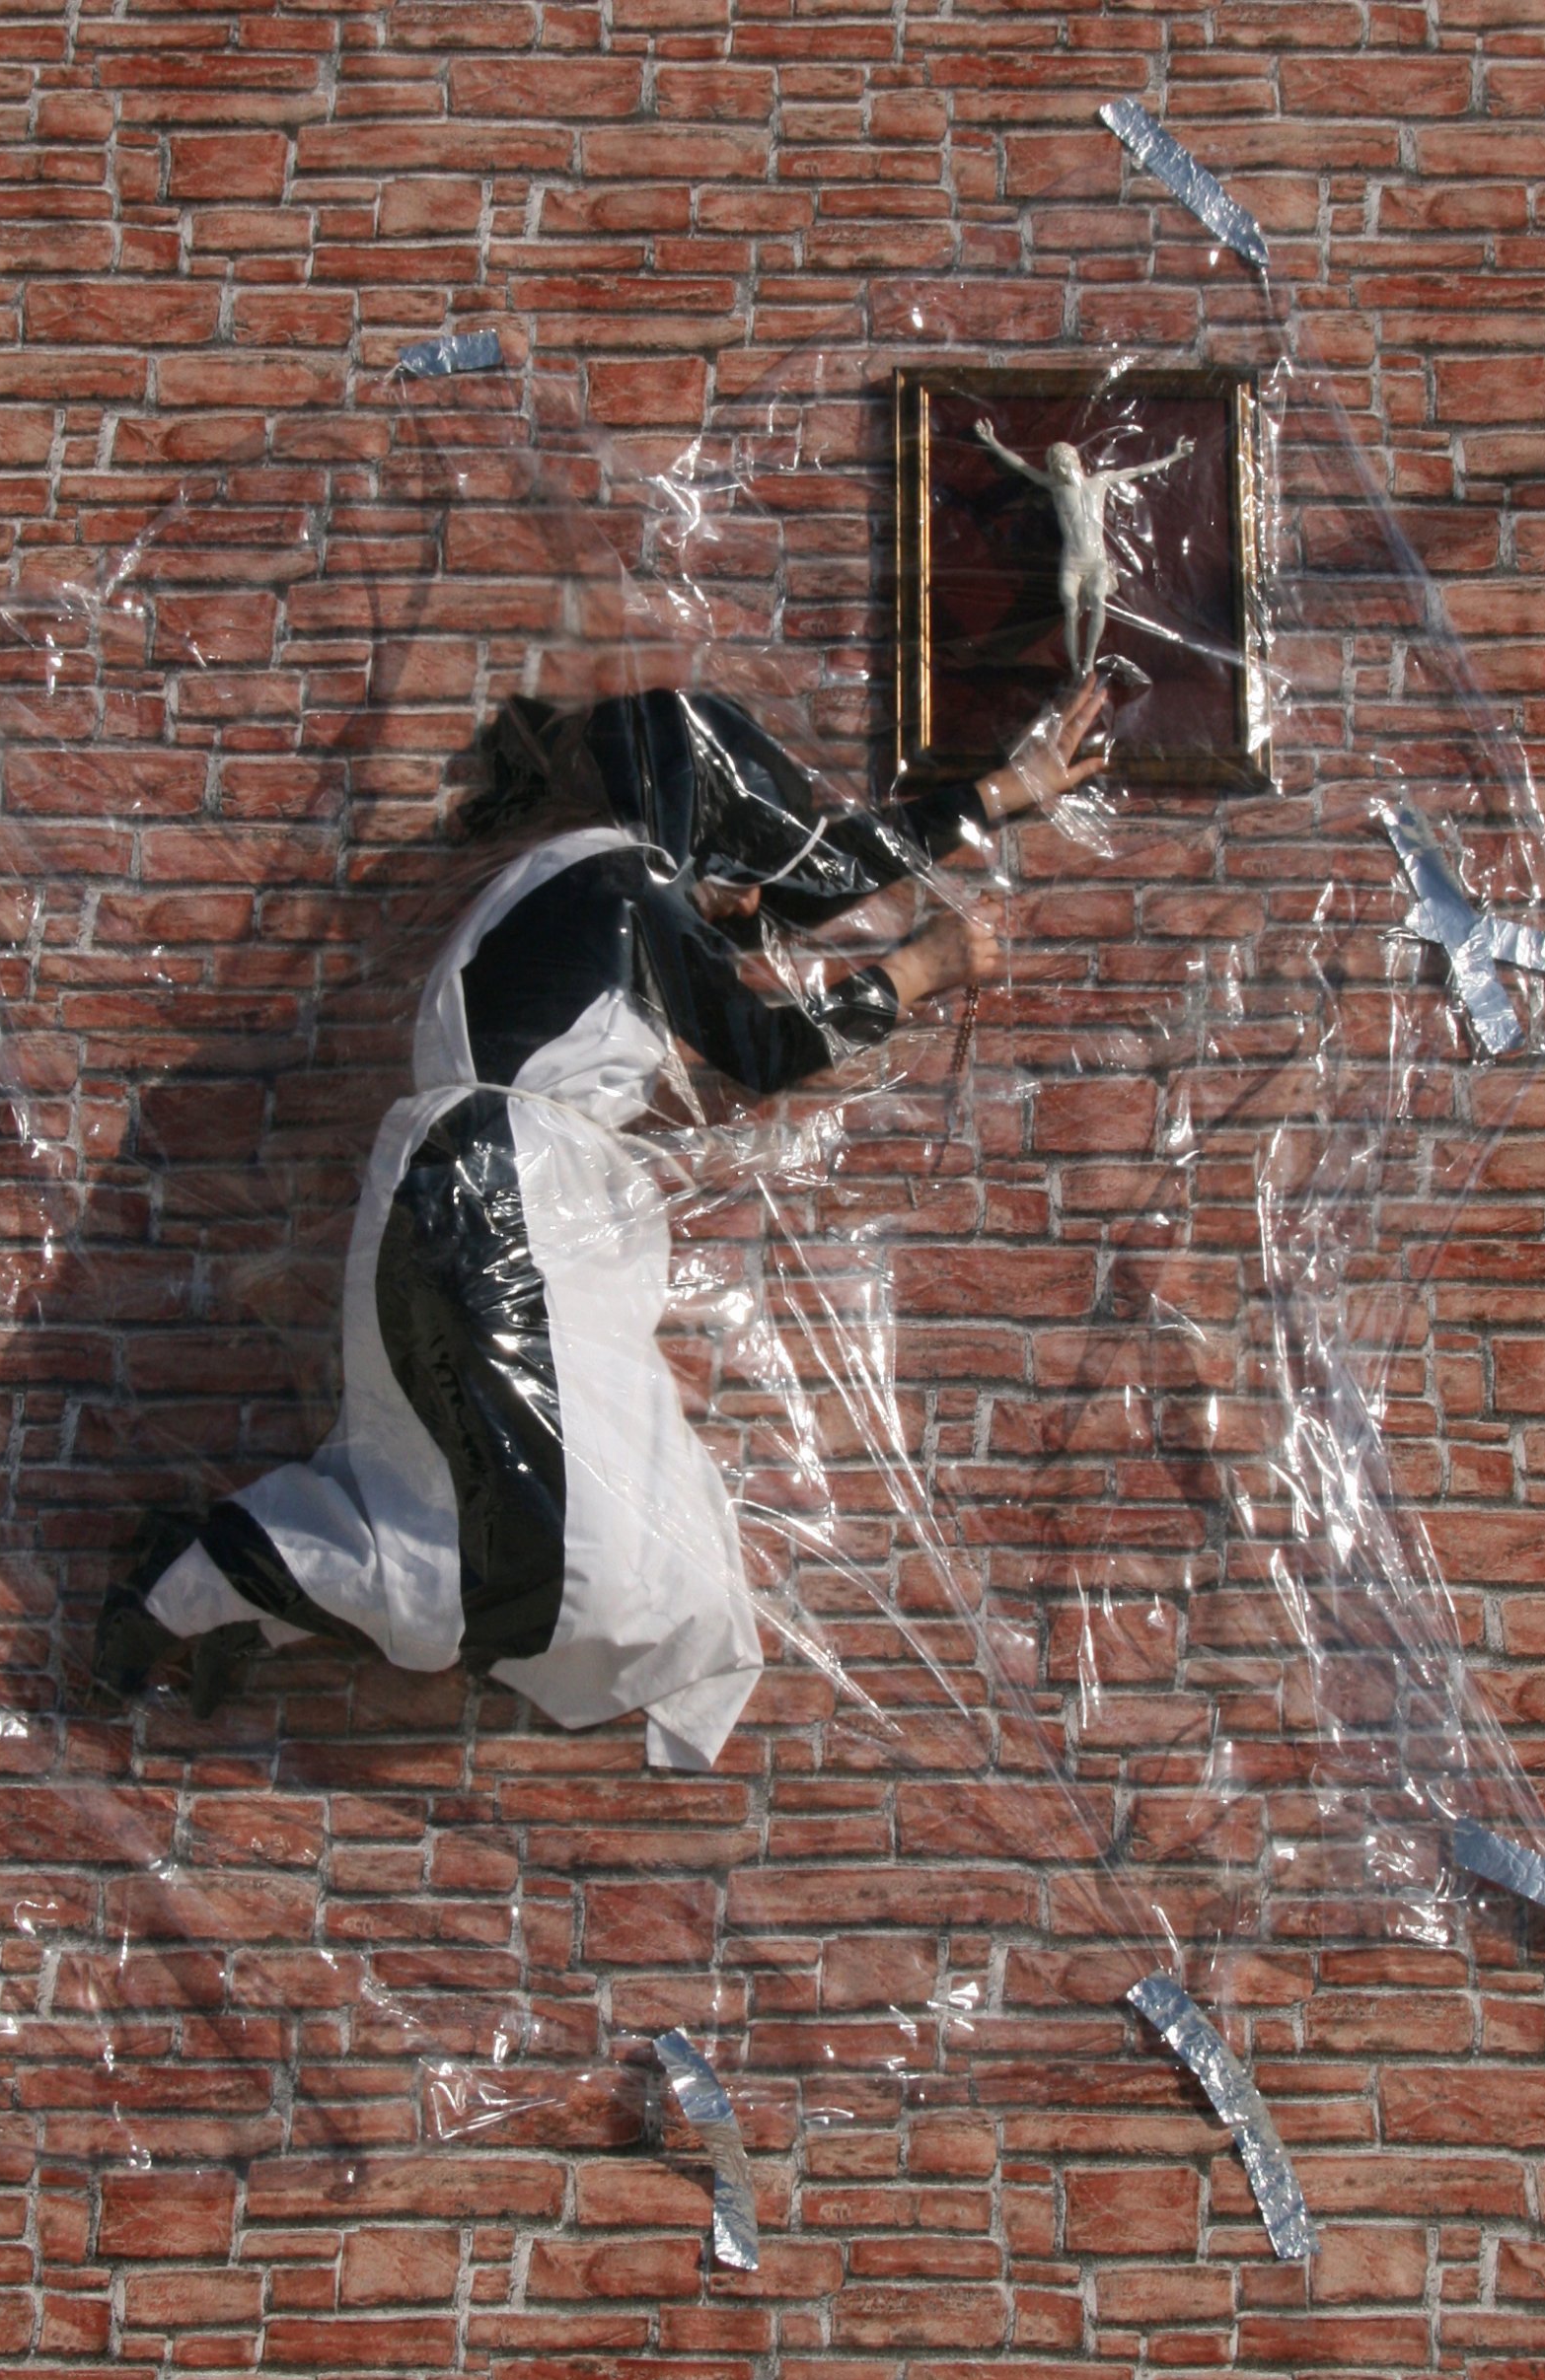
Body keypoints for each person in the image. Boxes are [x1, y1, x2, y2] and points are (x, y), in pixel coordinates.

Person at [95, 683, 1108, 1767]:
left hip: (504, 1205)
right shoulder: (622, 881)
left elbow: (809, 881)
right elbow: (767, 1047)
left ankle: (241, 1591)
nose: (743, 897)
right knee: (540, 1551)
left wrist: (999, 794)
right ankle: (200, 1578)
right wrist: (921, 969)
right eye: (736, 848)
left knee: (619, 1547)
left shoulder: (586, 882)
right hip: (495, 1201)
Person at [974, 418, 1195, 678]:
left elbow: (1138, 470)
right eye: (1054, 461)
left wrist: (1175, 456)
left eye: (1062, 458)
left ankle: (1088, 661)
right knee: (1070, 608)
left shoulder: (1100, 481)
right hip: (1071, 562)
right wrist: (993, 442)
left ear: (1075, 459)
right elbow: (1021, 465)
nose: (1060, 465)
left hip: (1097, 562)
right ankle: (1075, 667)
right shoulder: (1055, 486)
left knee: (1097, 601)